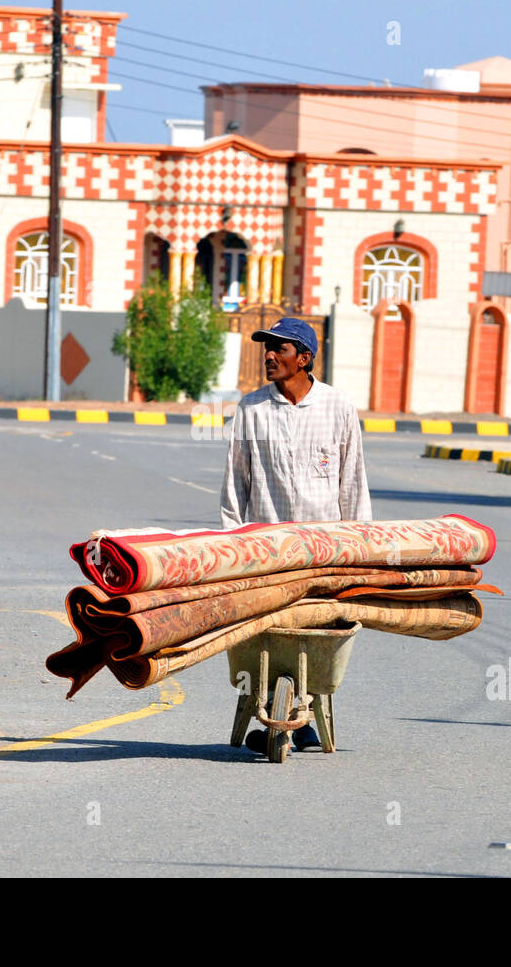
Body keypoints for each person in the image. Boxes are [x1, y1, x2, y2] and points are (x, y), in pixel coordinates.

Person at [219, 317, 372, 752]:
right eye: (266, 348)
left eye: (279, 349)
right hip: (267, 549)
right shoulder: (251, 409)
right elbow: (236, 480)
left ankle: (301, 709)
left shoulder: (337, 407)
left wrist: (357, 550)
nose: (268, 356)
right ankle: (276, 708)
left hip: (323, 550)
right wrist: (232, 543)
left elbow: (352, 482)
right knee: (264, 633)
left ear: (304, 359)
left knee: (316, 631)